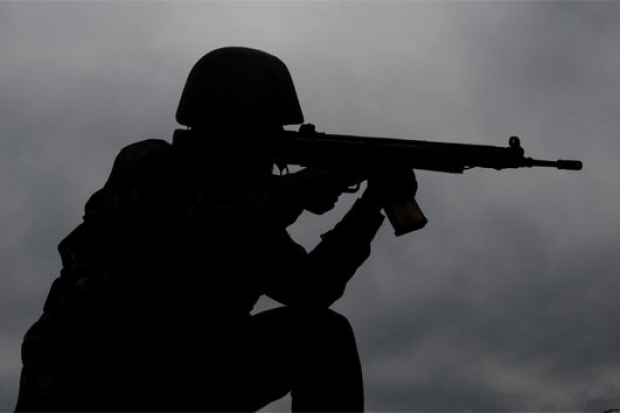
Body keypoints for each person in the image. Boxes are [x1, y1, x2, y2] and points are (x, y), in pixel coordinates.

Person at [15, 47, 418, 412]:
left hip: (188, 377)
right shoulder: (152, 163)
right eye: (267, 132)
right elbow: (196, 229)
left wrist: (370, 205)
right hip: (94, 376)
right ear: (231, 126)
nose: (274, 152)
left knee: (323, 336)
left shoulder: (249, 213)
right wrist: (298, 189)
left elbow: (312, 289)